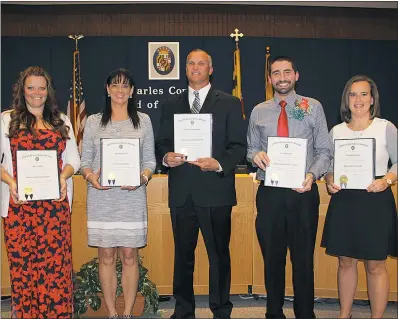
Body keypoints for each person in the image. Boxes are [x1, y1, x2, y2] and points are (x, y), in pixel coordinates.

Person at [155, 49, 247, 319]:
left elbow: (238, 146)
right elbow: (162, 141)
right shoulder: (171, 104)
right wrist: (166, 156)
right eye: (191, 63)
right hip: (182, 192)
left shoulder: (229, 103)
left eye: (201, 63)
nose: (195, 67)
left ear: (211, 69)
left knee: (219, 256)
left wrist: (218, 162)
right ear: (185, 69)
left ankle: (220, 310)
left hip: (215, 190)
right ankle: (183, 310)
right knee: (182, 256)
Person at [247, 56, 332, 319]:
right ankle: (274, 312)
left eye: (287, 72)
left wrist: (312, 174)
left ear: (296, 75)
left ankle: (305, 313)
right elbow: (251, 148)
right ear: (270, 78)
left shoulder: (312, 107)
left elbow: (324, 151)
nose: (281, 77)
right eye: (275, 73)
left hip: (303, 192)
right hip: (270, 194)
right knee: (272, 259)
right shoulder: (258, 110)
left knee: (303, 260)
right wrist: (256, 157)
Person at [0, 66, 80, 318]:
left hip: (54, 210)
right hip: (19, 209)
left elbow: (74, 161)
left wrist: (62, 177)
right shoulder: (6, 119)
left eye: (41, 87)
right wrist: (10, 181)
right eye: (31, 87)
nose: (36, 93)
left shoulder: (62, 121)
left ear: (48, 90)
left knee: (55, 271)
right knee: (23, 270)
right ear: (22, 90)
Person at [80, 68, 156, 318]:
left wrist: (142, 178)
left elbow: (150, 161)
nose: (120, 90)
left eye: (125, 86)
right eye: (115, 85)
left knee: (130, 255)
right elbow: (85, 162)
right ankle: (112, 312)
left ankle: (128, 312)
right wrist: (92, 178)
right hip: (102, 198)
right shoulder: (93, 121)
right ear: (107, 89)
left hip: (132, 198)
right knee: (106, 255)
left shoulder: (143, 120)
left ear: (132, 91)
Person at [321, 75, 397, 319]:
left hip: (375, 200)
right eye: (353, 94)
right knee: (345, 261)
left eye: (364, 94)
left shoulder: (386, 127)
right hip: (345, 201)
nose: (358, 99)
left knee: (375, 264)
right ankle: (345, 314)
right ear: (346, 99)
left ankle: (377, 317)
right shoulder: (336, 131)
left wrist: (386, 180)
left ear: (372, 99)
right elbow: (330, 166)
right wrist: (330, 180)